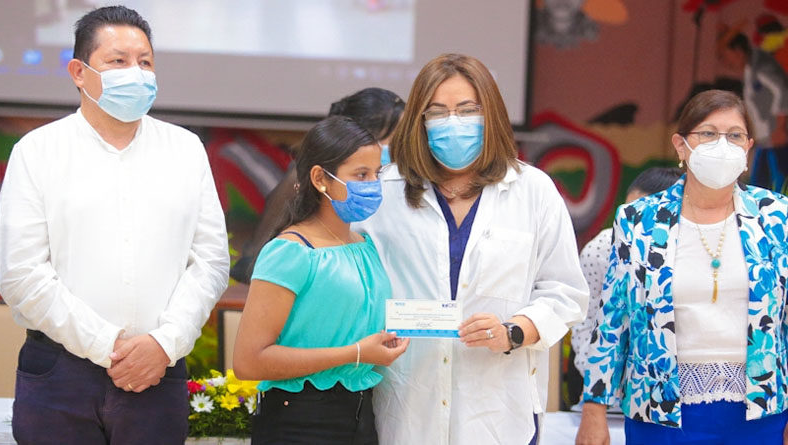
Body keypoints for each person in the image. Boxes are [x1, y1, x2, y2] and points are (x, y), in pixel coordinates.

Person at [0, 6, 229, 444]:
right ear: (79, 73)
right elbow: (21, 272)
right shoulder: (38, 151)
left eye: (145, 62)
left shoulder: (185, 149)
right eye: (118, 62)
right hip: (60, 374)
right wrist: (110, 345)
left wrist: (163, 344)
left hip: (159, 369)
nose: (135, 74)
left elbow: (211, 262)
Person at [352, 53, 589, 444]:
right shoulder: (384, 191)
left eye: (467, 110)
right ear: (420, 121)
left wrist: (515, 331)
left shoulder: (533, 190)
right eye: (438, 112)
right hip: (409, 405)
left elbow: (565, 292)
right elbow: (355, 285)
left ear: (491, 115)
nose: (453, 124)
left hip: (499, 411)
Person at [576, 89, 788, 445]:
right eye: (707, 133)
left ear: (748, 148)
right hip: (659, 411)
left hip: (759, 413)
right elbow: (612, 320)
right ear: (680, 145)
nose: (722, 145)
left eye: (734, 135)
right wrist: (593, 409)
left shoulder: (776, 217)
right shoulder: (638, 220)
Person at [232, 116, 409, 445]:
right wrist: (354, 353)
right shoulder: (290, 252)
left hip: (362, 413)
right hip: (300, 420)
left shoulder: (364, 246)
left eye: (376, 174)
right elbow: (248, 361)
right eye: (360, 175)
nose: (372, 184)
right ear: (320, 179)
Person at [229, 87, 405, 284]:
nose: (403, 146)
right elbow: (257, 265)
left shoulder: (361, 246)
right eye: (394, 139)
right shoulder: (293, 248)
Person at [570, 167, 682, 380]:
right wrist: (601, 381)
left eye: (646, 215)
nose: (631, 222)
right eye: (628, 212)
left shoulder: (695, 250)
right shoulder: (602, 248)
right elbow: (586, 321)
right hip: (615, 385)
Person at [718, 30, 788, 191]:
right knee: (758, 184)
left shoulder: (762, 65)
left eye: (726, 55)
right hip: (764, 138)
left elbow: (782, 91)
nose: (725, 62)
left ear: (738, 51)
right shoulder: (749, 69)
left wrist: (780, 126)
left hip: (776, 137)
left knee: (778, 183)